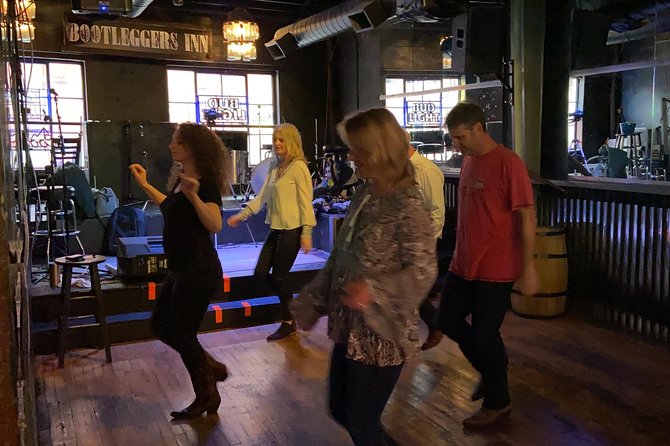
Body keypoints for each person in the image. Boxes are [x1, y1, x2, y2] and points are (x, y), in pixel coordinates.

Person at [290, 108, 437, 445]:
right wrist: (308, 303)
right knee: (342, 411)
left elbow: (423, 272)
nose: (352, 158)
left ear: (380, 150)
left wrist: (373, 290)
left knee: (362, 423)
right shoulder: (366, 193)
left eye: (358, 150)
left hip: (382, 331)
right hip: (351, 326)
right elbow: (341, 258)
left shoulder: (408, 206)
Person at [436, 102, 539, 427]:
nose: (456, 145)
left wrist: (529, 268)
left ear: (479, 128)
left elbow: (526, 216)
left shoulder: (509, 163)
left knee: (483, 335)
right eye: (452, 139)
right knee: (446, 320)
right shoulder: (468, 161)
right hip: (463, 262)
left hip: (496, 267)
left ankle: (498, 402)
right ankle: (491, 369)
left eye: (460, 137)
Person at [129, 123, 230, 419]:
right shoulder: (181, 180)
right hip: (181, 269)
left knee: (183, 334)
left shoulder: (205, 183)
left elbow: (215, 224)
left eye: (177, 143)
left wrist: (194, 196)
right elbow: (170, 207)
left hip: (199, 271)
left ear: (192, 148)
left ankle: (207, 395)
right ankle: (211, 368)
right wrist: (146, 185)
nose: (172, 146)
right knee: (162, 326)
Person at [227, 123, 316, 341]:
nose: (277, 143)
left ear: (292, 142)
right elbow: (263, 197)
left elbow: (306, 202)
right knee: (260, 273)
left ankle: (289, 320)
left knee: (278, 277)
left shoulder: (299, 168)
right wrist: (242, 215)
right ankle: (292, 311)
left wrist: (306, 233)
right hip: (276, 228)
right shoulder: (274, 168)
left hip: (292, 230)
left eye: (282, 139)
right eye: (275, 139)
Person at [408, 140, 446, 350]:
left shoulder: (426, 170)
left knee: (411, 291)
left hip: (421, 242)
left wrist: (425, 243)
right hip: (407, 241)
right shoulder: (403, 169)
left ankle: (436, 323)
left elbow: (437, 212)